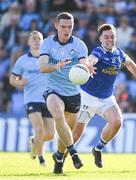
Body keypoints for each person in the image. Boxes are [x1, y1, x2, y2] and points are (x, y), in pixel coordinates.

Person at [71, 24, 136, 168]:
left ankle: (98, 148)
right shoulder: (99, 51)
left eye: (112, 36)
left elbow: (130, 64)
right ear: (100, 38)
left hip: (106, 98)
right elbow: (92, 58)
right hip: (87, 97)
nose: (109, 39)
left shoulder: (119, 53)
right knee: (75, 136)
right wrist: (88, 64)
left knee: (117, 122)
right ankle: (60, 156)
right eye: (106, 37)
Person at [39, 12, 94, 174]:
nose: (66, 30)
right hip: (53, 89)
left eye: (70, 27)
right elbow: (42, 67)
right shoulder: (48, 43)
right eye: (63, 26)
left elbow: (84, 62)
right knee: (57, 115)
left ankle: (59, 158)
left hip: (73, 92)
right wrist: (56, 66)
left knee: (66, 132)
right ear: (56, 26)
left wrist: (87, 67)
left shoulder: (79, 45)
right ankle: (74, 154)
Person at [9, 31, 55, 166]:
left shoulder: (48, 58)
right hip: (31, 99)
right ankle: (41, 160)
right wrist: (19, 82)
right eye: (33, 38)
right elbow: (12, 79)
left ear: (43, 41)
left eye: (39, 38)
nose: (36, 41)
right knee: (39, 128)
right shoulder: (22, 60)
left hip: (47, 100)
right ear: (28, 42)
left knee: (50, 135)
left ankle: (35, 141)